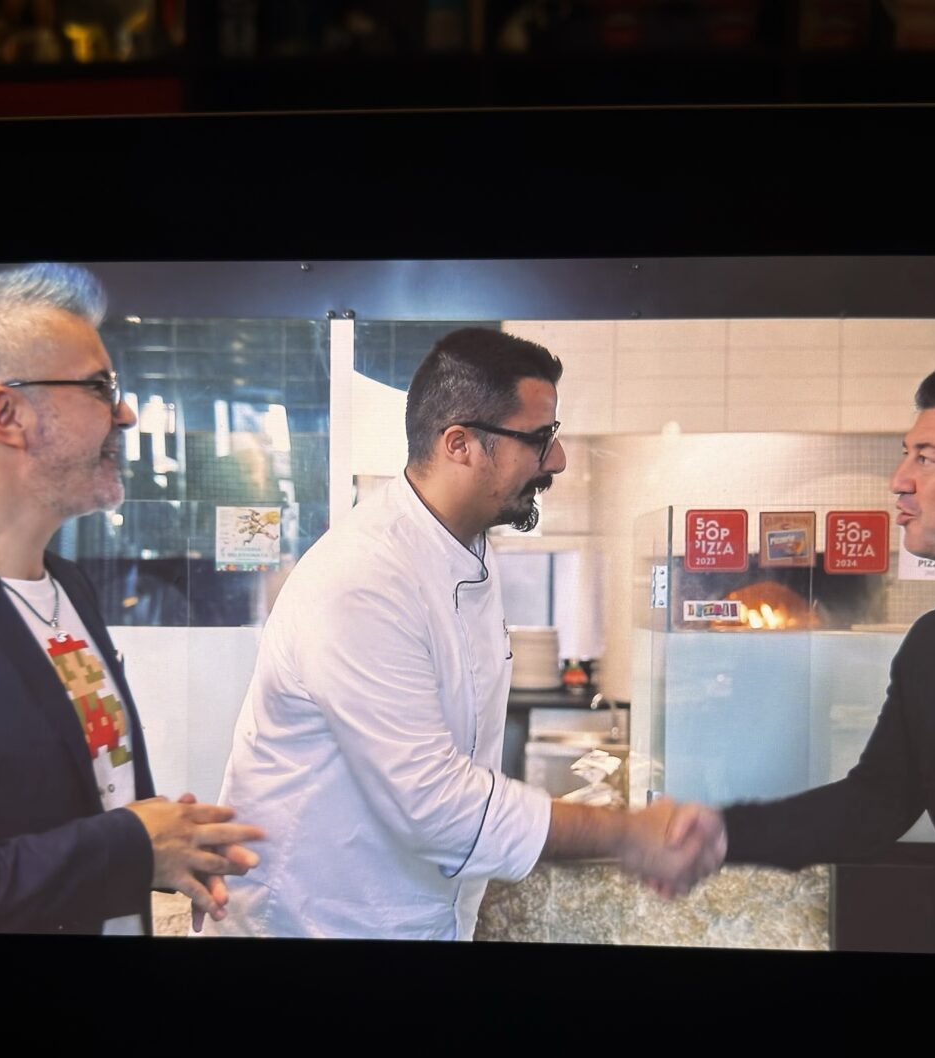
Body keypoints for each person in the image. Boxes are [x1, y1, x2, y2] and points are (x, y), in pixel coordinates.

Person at [216, 327, 723, 940]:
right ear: (459, 444)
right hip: (314, 925)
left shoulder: (465, 548)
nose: (557, 460)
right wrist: (625, 832)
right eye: (538, 439)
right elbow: (434, 805)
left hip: (407, 918)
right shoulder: (363, 578)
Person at [0, 263, 262, 934]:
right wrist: (133, 847)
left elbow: (81, 800)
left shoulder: (67, 585)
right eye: (101, 387)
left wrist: (172, 847)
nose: (125, 413)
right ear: (6, 414)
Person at [678, 359, 935, 955]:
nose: (899, 480)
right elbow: (874, 804)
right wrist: (716, 833)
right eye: (905, 455)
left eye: (927, 458)